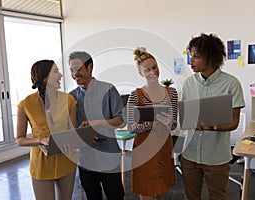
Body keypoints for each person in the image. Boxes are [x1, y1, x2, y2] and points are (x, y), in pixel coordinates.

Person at [180, 33, 245, 200]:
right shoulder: (188, 83)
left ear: (211, 58)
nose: (191, 61)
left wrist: (212, 127)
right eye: (190, 55)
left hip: (216, 157)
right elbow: (185, 116)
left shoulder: (231, 84)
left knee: (217, 197)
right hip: (190, 154)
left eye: (196, 56)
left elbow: (234, 122)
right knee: (191, 196)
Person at [16, 60, 77, 200]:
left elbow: (72, 133)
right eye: (56, 71)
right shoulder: (25, 105)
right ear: (44, 77)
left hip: (66, 159)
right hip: (41, 165)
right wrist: (40, 140)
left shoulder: (69, 100)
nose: (61, 75)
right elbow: (20, 139)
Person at [68, 51, 125, 200]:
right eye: (72, 70)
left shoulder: (109, 90)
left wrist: (99, 122)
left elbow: (120, 120)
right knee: (92, 196)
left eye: (78, 68)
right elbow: (71, 129)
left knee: (116, 195)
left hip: (109, 157)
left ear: (90, 67)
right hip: (85, 159)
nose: (75, 73)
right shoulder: (71, 97)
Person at [126, 47, 178, 200]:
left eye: (154, 67)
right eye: (147, 70)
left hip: (164, 147)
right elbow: (131, 127)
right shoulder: (135, 96)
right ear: (140, 73)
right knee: (147, 191)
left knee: (161, 190)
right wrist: (150, 124)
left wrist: (169, 122)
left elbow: (174, 124)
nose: (152, 72)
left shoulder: (171, 93)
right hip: (144, 150)